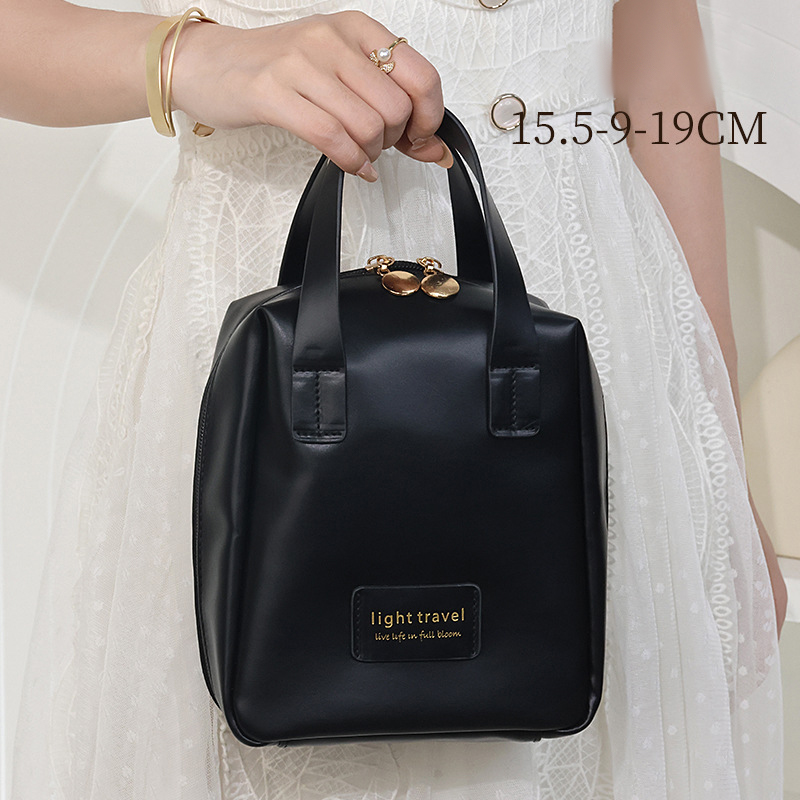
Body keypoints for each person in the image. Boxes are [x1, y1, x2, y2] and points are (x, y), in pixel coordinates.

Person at [2, 0, 788, 796]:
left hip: (600, 333)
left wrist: (716, 439)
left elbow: (659, 74)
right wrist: (192, 58)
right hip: (270, 339)